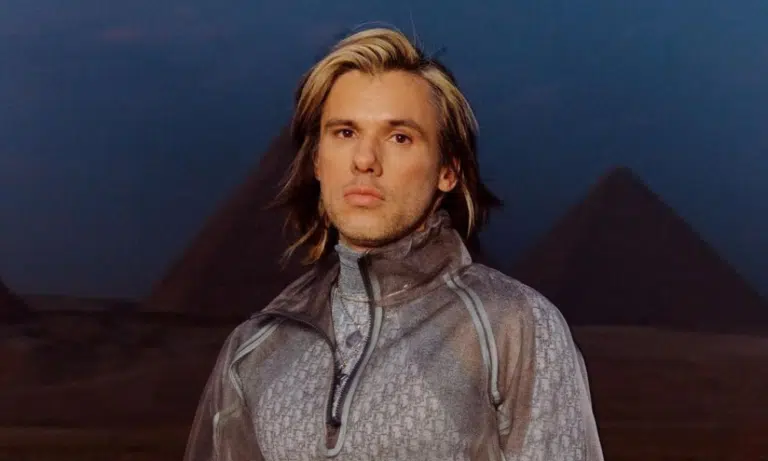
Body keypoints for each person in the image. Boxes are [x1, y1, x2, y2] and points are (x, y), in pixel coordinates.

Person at [184, 26, 604, 461]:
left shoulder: (513, 328)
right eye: (345, 133)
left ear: (448, 171)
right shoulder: (254, 349)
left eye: (399, 137)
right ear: (317, 162)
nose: (365, 160)